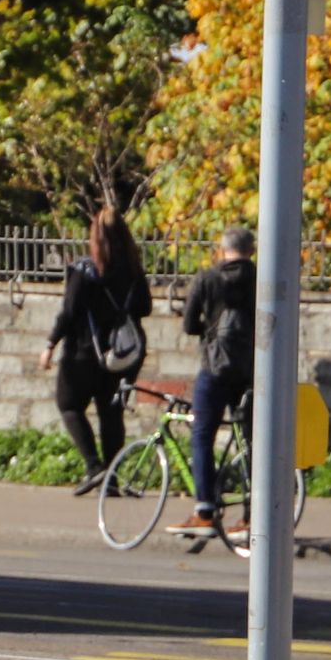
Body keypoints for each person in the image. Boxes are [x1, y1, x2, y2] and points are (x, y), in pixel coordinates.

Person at [42, 207, 150, 495]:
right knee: (112, 414)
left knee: (69, 405)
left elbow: (69, 312)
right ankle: (112, 479)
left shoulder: (84, 270)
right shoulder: (134, 271)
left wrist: (50, 344)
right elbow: (145, 308)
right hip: (124, 355)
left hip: (84, 353)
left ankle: (94, 467)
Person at [170, 226, 259, 538]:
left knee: (202, 435)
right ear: (251, 250)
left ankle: (205, 510)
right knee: (251, 441)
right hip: (251, 369)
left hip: (215, 367)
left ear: (223, 250)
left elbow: (188, 325)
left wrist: (211, 327)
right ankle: (252, 516)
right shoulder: (261, 278)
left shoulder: (206, 279)